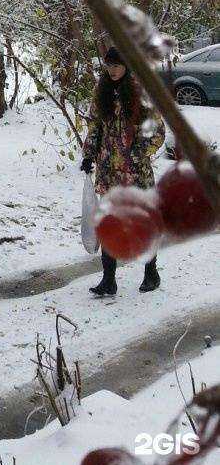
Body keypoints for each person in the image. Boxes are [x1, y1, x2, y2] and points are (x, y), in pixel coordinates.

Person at [81, 46, 166, 297]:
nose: (112, 70)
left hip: (136, 173)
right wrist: (89, 154)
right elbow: (95, 125)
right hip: (109, 171)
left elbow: (158, 131)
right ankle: (109, 280)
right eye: (109, 66)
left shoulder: (141, 93)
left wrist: (139, 152)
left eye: (117, 65)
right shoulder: (102, 90)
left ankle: (151, 272)